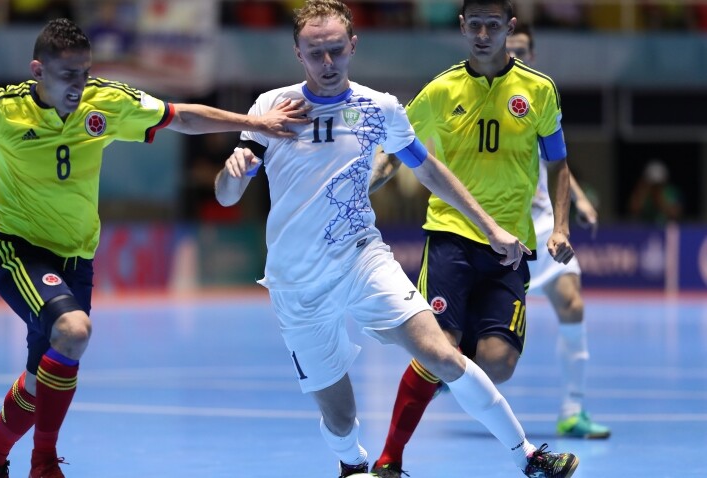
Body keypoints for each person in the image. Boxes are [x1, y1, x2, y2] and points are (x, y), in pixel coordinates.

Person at [0, 18, 309, 478]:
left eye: (85, 72)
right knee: (74, 331)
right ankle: (43, 464)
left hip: (77, 260)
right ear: (38, 70)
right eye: (67, 75)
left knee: (42, 380)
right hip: (20, 251)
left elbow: (181, 116)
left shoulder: (106, 102)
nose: (79, 85)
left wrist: (255, 122)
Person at [214, 1, 578, 477]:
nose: (328, 64)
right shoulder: (270, 108)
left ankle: (528, 456)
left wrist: (491, 229)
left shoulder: (379, 107)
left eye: (336, 51)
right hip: (296, 282)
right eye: (315, 53)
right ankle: (354, 465)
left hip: (362, 259)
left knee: (440, 353)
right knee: (339, 416)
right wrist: (233, 174)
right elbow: (225, 196)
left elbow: (428, 169)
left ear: (353, 47)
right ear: (297, 52)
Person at [367, 1, 577, 477]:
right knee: (438, 347)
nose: (483, 33)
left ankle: (444, 371)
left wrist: (561, 226)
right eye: (475, 24)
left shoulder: (539, 91)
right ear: (462, 26)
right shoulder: (441, 90)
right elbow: (396, 150)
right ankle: (389, 459)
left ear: (510, 27)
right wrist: (366, 186)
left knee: (498, 364)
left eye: (493, 25)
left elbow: (559, 162)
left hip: (511, 246)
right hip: (451, 236)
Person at [507, 23, 611, 440]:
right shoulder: (477, 95)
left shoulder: (539, 97)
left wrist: (579, 201)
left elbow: (556, 161)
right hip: (500, 225)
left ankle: (573, 409)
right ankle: (445, 366)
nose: (513, 55)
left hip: (544, 221)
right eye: (507, 47)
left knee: (572, 304)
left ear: (531, 54)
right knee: (481, 333)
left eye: (520, 49)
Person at [628, 159, 683, 225]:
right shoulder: (643, 192)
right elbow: (633, 210)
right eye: (653, 185)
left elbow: (675, 214)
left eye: (659, 185)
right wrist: (641, 193)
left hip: (665, 228)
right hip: (645, 230)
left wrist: (660, 201)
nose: (656, 188)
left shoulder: (671, 192)